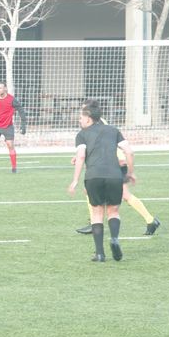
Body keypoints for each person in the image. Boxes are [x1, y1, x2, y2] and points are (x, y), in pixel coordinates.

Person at [68, 101, 135, 262]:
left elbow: (81, 156)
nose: (79, 120)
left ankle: (99, 254)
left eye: (81, 117)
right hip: (114, 175)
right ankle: (114, 239)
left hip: (93, 176)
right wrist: (130, 173)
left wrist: (75, 180)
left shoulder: (82, 134)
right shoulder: (113, 130)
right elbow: (129, 152)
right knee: (113, 211)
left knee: (97, 213)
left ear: (89, 118)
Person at [75, 146, 160, 236]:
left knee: (124, 194)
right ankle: (94, 223)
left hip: (115, 165)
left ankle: (150, 220)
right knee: (89, 190)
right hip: (113, 164)